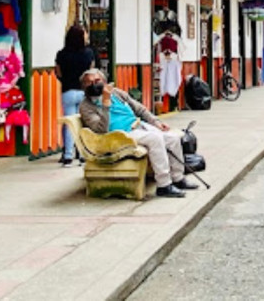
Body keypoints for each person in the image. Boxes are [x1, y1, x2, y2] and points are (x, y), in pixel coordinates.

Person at [78, 69, 197, 198]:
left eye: (97, 81)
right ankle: (164, 185)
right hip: (117, 136)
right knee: (154, 138)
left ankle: (178, 178)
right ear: (84, 86)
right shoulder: (86, 106)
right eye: (88, 83)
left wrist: (155, 122)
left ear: (104, 82)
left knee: (172, 138)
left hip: (138, 127)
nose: (93, 85)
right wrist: (106, 104)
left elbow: (139, 109)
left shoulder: (117, 93)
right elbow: (101, 129)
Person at [55, 25, 94, 167]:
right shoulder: (88, 53)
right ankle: (82, 154)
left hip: (68, 91)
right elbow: (91, 73)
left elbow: (58, 73)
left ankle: (67, 156)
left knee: (69, 124)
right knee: (82, 123)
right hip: (84, 92)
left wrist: (66, 80)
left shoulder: (61, 54)